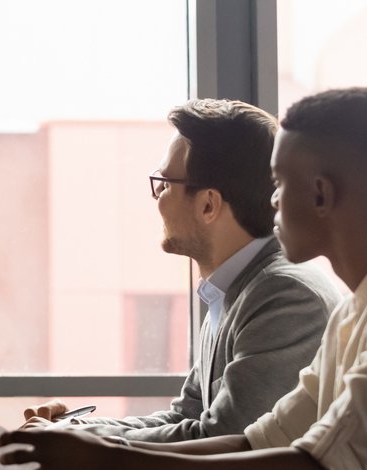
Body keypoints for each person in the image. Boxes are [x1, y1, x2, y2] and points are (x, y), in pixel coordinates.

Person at [0, 87, 367, 470]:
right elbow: (262, 440)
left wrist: (111, 465)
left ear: (321, 193)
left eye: (279, 183)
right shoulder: (359, 307)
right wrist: (95, 448)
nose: (271, 202)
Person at [23, 99, 339, 441]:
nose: (158, 197)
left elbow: (222, 437)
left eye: (165, 183)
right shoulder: (233, 289)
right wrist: (73, 429)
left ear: (207, 205)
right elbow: (186, 416)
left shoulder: (285, 297)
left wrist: (81, 442)